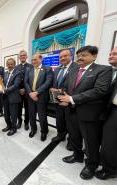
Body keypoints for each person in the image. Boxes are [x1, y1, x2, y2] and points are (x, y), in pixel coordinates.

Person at [59, 45, 112, 180]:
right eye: (79, 55)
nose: (80, 58)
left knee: (90, 141)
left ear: (94, 56)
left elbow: (100, 91)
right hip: (71, 110)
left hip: (89, 113)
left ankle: (91, 165)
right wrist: (64, 97)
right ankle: (77, 156)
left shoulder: (103, 70)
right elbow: (68, 87)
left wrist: (71, 98)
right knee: (74, 136)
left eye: (84, 55)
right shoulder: (74, 70)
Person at [95, 47, 117, 180]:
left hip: (115, 110)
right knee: (105, 139)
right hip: (105, 109)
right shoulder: (108, 71)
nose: (111, 55)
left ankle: (110, 169)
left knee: (111, 142)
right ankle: (103, 160)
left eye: (115, 54)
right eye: (110, 53)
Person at [50, 49, 78, 143]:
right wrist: (52, 88)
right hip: (58, 100)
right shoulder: (57, 69)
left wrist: (62, 91)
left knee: (70, 123)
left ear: (71, 56)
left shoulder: (77, 67)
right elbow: (55, 83)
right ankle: (60, 135)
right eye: (61, 57)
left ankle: (71, 141)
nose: (63, 58)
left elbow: (78, 85)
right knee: (59, 120)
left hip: (70, 100)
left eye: (65, 56)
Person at [24, 53, 53, 141]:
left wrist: (36, 92)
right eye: (32, 60)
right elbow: (26, 82)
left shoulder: (47, 69)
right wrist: (30, 93)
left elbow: (48, 83)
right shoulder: (29, 69)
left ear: (41, 59)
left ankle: (44, 131)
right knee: (31, 115)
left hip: (41, 97)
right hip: (30, 97)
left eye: (35, 59)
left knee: (42, 116)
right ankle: (33, 129)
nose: (33, 61)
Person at [2, 58, 22, 136]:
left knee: (13, 114)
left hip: (13, 97)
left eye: (11, 64)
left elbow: (16, 85)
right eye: (8, 64)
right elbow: (2, 84)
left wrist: (5, 90)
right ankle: (8, 126)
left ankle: (14, 129)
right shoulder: (5, 73)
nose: (10, 65)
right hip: (5, 97)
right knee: (6, 114)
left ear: (14, 65)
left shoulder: (18, 73)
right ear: (6, 65)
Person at [15, 50, 32, 130]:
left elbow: (31, 80)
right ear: (19, 57)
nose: (22, 57)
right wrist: (19, 89)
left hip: (27, 92)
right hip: (18, 92)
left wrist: (25, 89)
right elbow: (14, 80)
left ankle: (26, 122)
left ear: (26, 57)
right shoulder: (16, 67)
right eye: (21, 55)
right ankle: (20, 121)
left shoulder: (31, 66)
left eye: (24, 55)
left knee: (27, 108)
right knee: (18, 108)